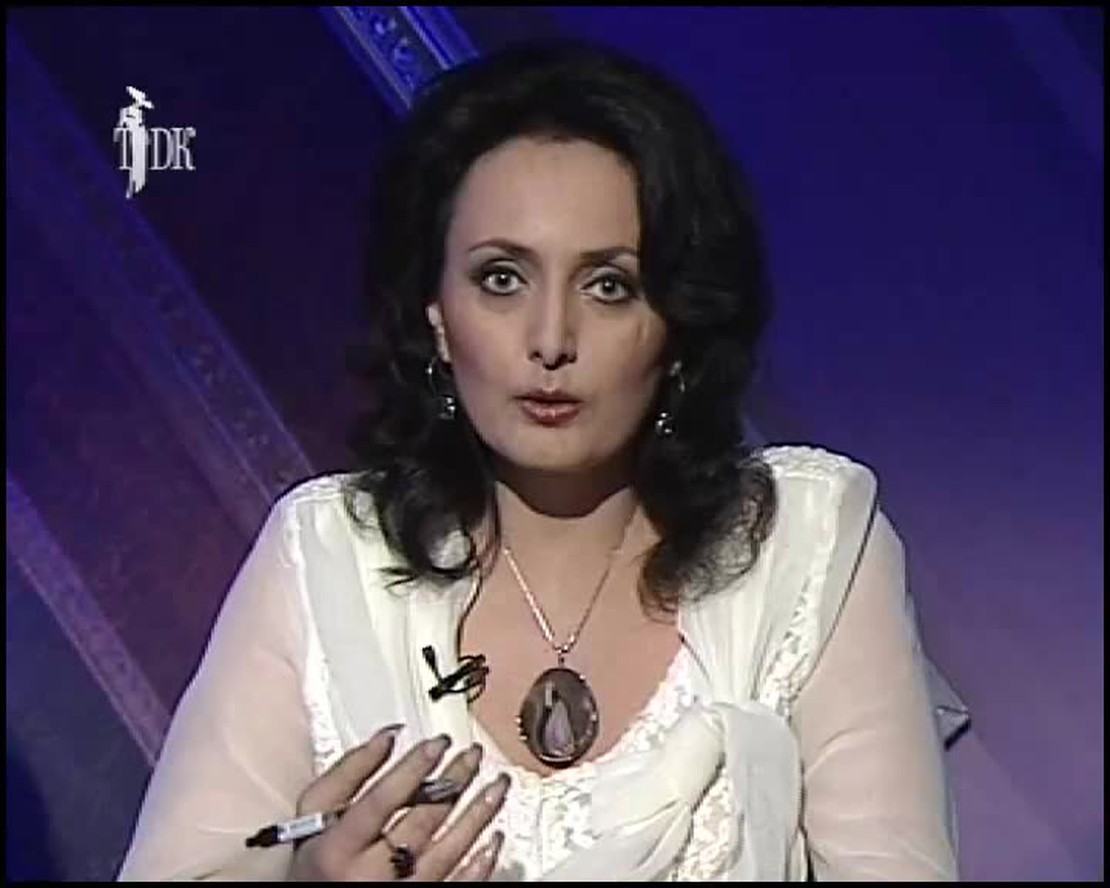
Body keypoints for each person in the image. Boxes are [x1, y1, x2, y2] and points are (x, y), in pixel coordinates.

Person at [118, 39, 958, 881]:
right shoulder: (328, 554)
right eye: (501, 279)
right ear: (436, 314)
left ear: (678, 324)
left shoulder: (805, 546)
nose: (551, 340)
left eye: (609, 286)